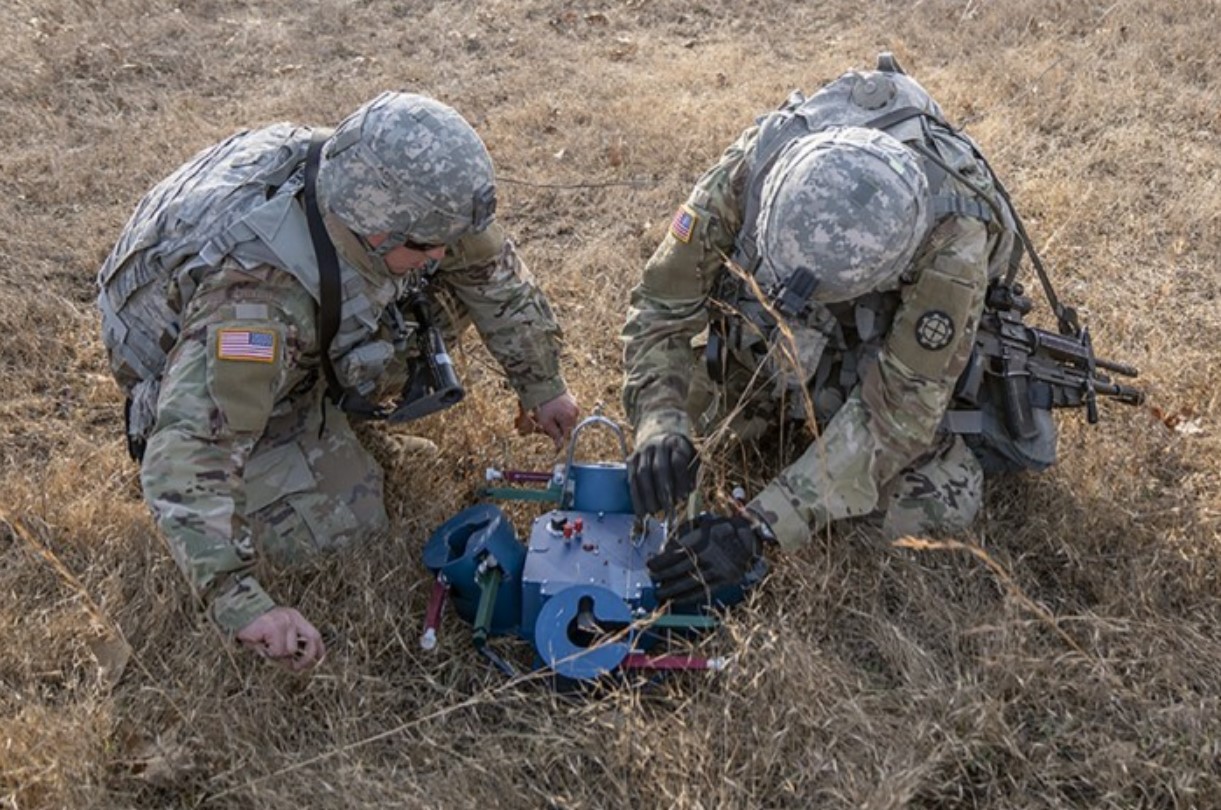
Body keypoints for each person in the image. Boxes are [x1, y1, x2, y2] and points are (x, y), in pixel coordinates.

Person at [97, 92, 580, 670]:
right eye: (428, 245)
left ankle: (320, 398)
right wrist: (244, 604)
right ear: (376, 233)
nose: (444, 252)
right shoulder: (259, 300)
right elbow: (187, 450)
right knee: (337, 529)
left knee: (437, 300)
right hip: (183, 357)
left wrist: (543, 385)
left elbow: (490, 273)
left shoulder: (391, 180)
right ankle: (286, 423)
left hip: (294, 313)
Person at [622, 55, 1051, 605]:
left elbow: (899, 410)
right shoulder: (749, 168)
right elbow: (662, 300)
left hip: (884, 363)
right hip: (780, 347)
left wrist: (763, 526)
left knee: (926, 508)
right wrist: (659, 421)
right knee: (692, 435)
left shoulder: (953, 241)